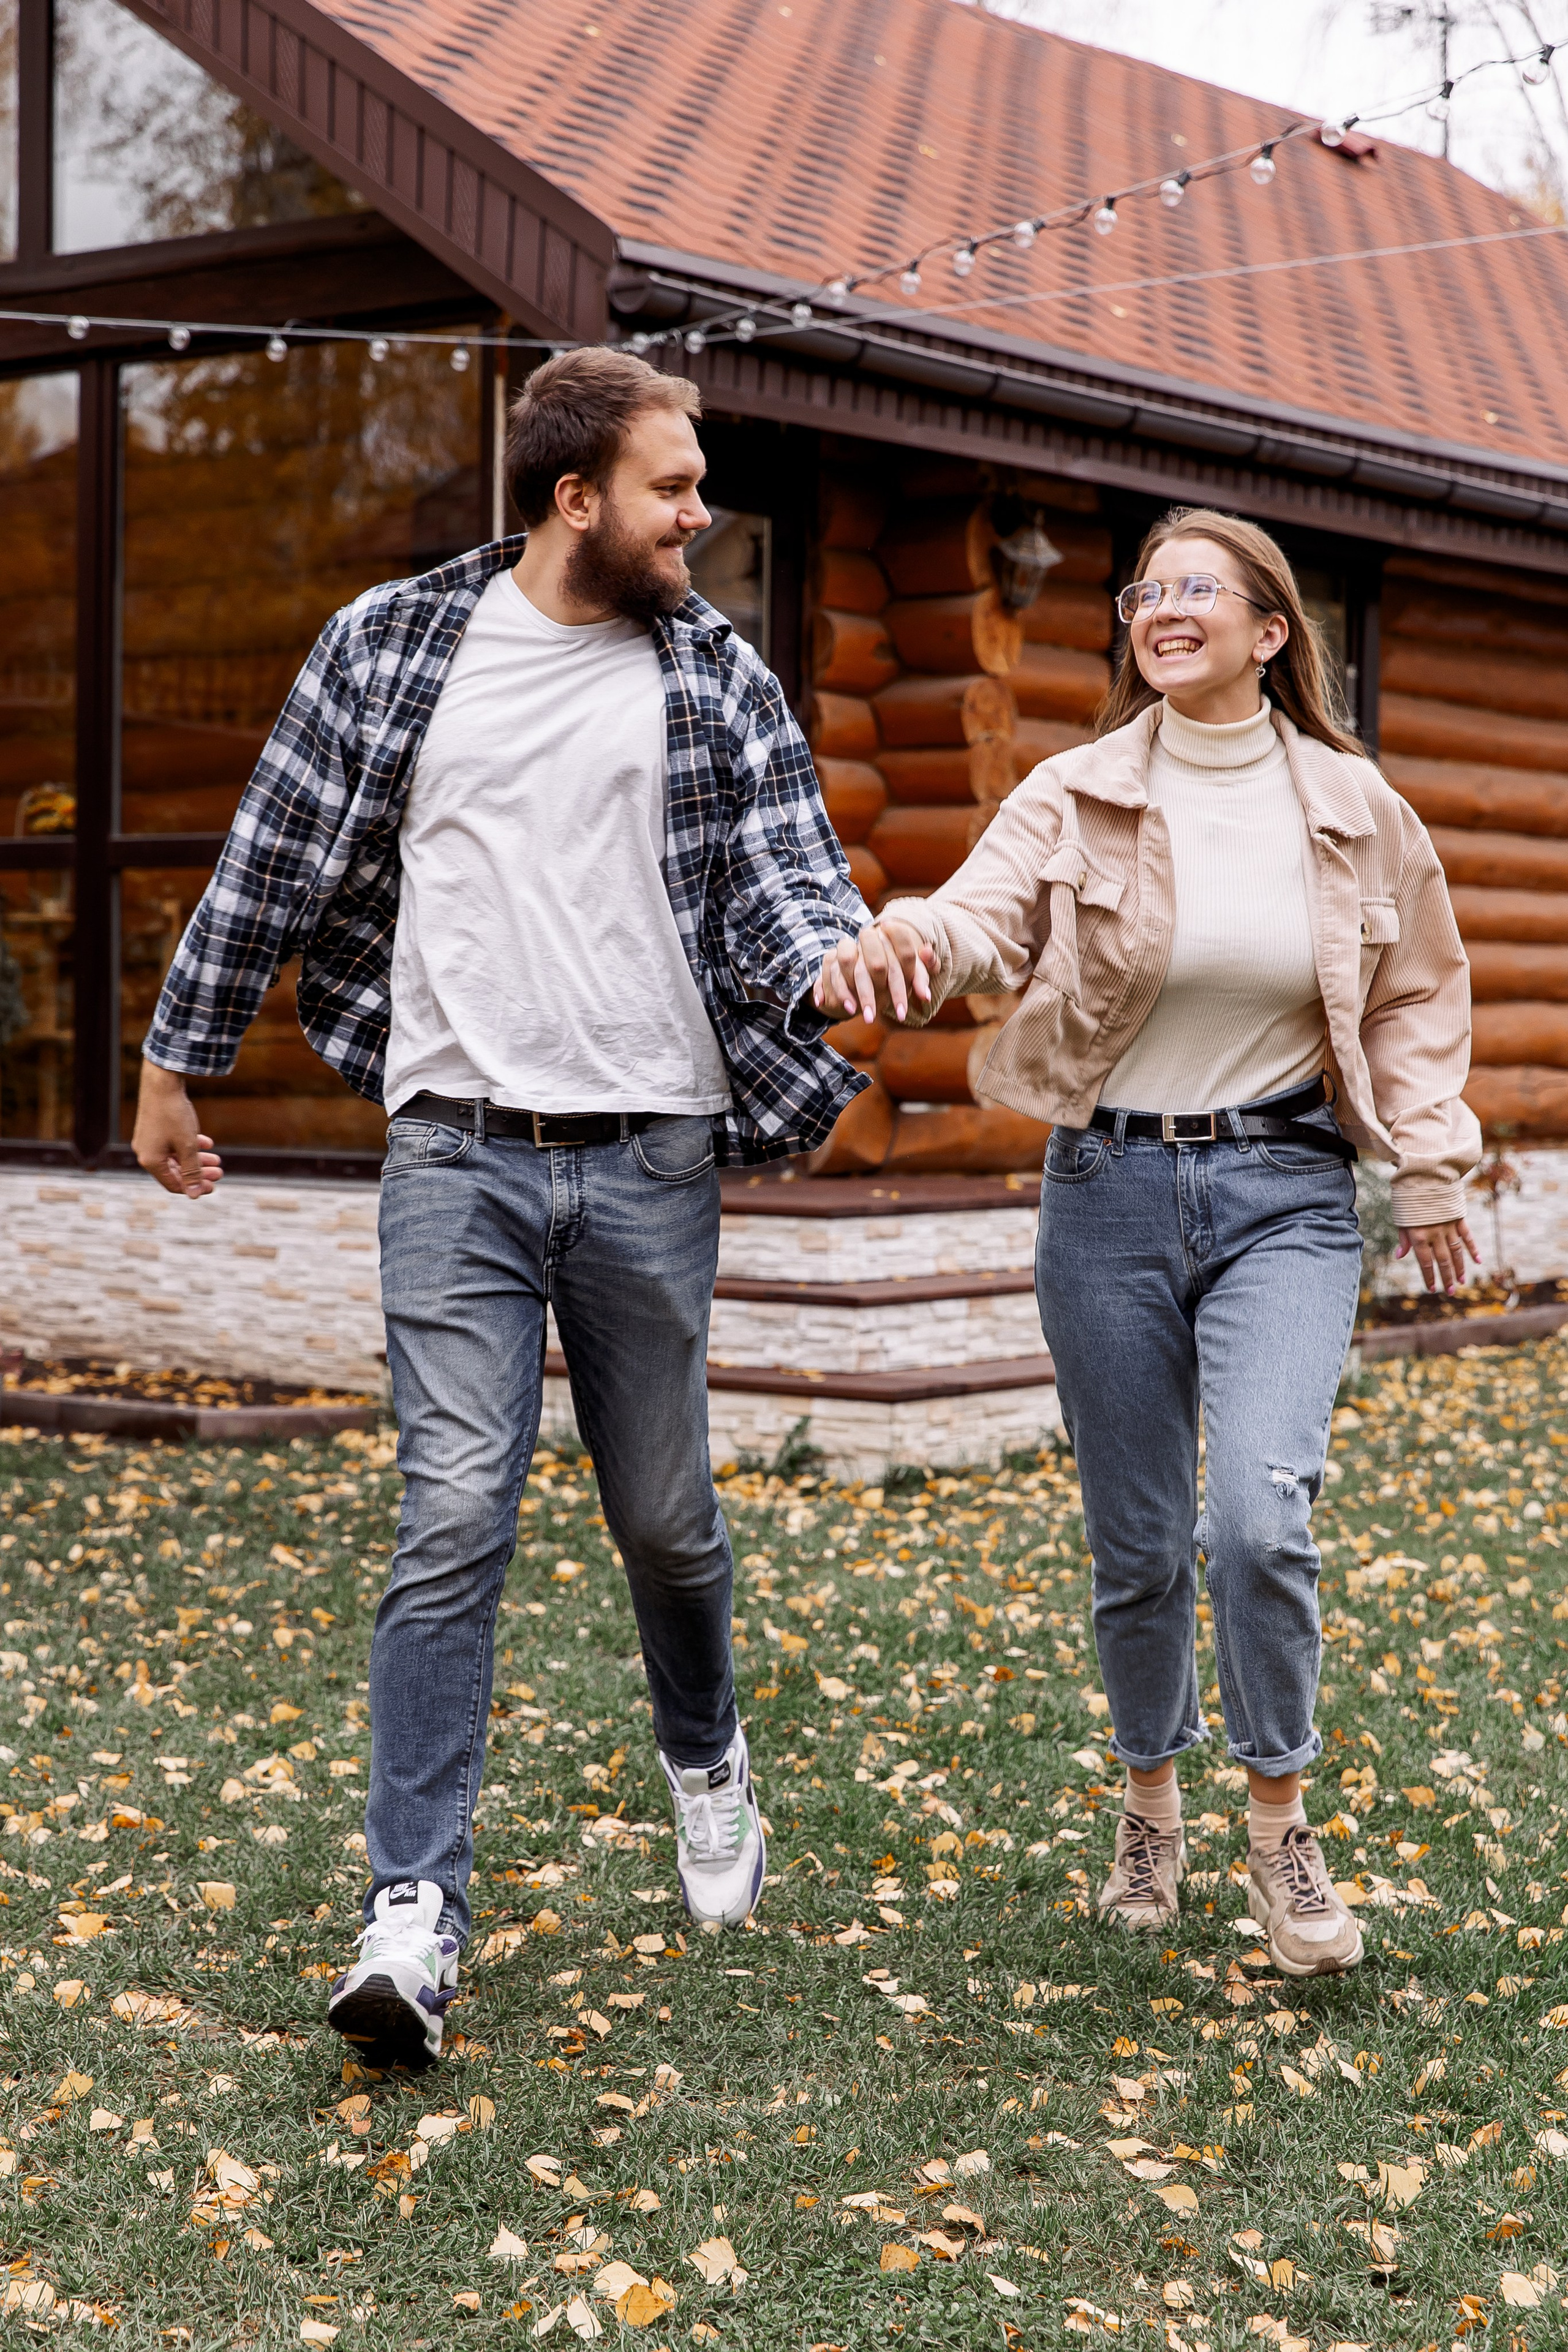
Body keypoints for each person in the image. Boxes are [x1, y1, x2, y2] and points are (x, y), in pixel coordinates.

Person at [132, 345, 871, 2064]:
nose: (701, 514)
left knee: (666, 1521)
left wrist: (848, 962)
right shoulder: (396, 646)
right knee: (452, 1511)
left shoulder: (712, 676)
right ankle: (413, 1913)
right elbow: (276, 846)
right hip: (455, 1145)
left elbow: (784, 886)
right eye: (674, 489)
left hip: (648, 1156)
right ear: (574, 499)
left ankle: (706, 1751)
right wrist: (181, 1057)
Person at [817, 505, 1479, 1977]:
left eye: (1198, 589)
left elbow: (1415, 994)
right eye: (1144, 590)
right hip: (1104, 1194)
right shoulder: (1074, 789)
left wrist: (1429, 1172)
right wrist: (914, 934)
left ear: (1267, 630)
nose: (1161, 608)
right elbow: (985, 919)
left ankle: (1278, 1831)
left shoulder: (1352, 804)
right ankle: (1147, 1809)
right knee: (1134, 1548)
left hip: (1285, 1195)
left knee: (1256, 1520)